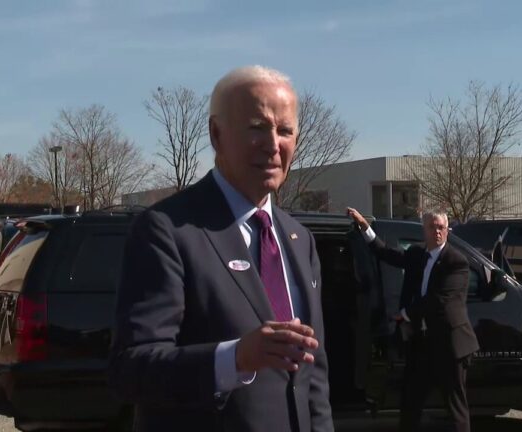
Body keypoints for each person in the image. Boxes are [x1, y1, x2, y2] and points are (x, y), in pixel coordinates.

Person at [109, 66, 333, 432]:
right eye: (257, 127)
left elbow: (314, 375)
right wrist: (235, 359)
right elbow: (131, 370)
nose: (273, 144)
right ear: (216, 134)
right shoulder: (168, 230)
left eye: (285, 130)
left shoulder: (299, 239)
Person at [346, 207, 479, 432]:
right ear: (423, 230)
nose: (437, 232)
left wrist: (405, 314)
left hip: (450, 344)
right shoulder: (417, 254)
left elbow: (441, 300)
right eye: (432, 227)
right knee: (410, 401)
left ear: (447, 230)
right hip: (422, 342)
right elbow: (387, 254)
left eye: (441, 227)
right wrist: (365, 228)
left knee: (455, 406)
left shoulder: (456, 262)